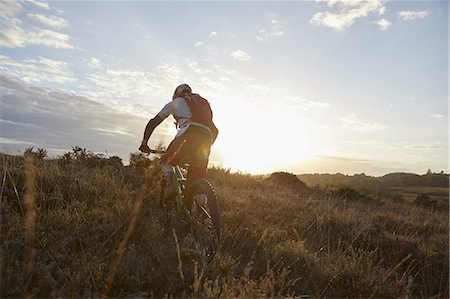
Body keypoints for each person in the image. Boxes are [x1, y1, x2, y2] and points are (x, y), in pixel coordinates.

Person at [139, 84, 218, 200]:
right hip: (206, 137)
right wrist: (206, 147)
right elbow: (215, 131)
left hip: (188, 134)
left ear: (176, 95)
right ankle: (203, 212)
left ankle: (171, 186)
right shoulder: (200, 107)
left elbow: (153, 122)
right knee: (197, 176)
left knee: (166, 161)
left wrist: (144, 142)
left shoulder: (176, 103)